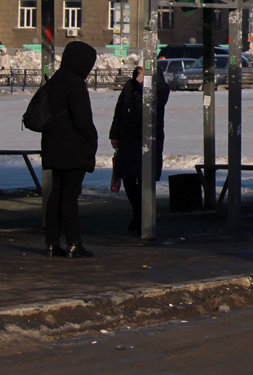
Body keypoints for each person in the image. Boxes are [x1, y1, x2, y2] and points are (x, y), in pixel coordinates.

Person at [41, 40, 100, 258]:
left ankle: (52, 243)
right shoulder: (75, 83)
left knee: (55, 194)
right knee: (70, 196)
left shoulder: (55, 80)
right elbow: (82, 119)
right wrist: (92, 139)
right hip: (73, 147)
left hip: (52, 144)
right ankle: (74, 243)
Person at [109, 63, 170, 234]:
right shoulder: (129, 86)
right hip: (128, 140)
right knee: (128, 178)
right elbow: (119, 110)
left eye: (144, 69)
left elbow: (151, 106)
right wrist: (114, 134)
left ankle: (143, 216)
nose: (140, 71)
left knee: (144, 178)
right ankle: (138, 213)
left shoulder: (161, 88)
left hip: (147, 139)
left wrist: (145, 85)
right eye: (139, 68)